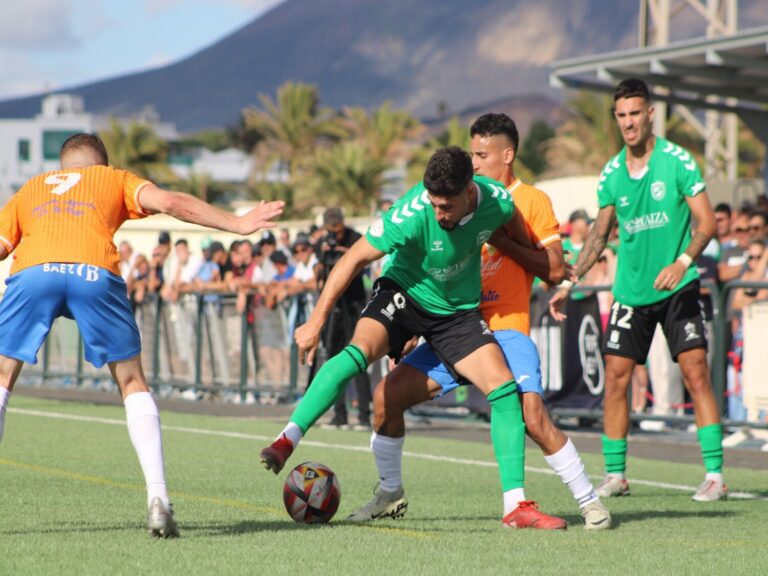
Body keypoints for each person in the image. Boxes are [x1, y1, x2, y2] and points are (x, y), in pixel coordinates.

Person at [260, 146, 566, 529]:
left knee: (504, 389)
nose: (439, 214)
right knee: (358, 352)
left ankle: (515, 507)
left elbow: (523, 239)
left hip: (456, 313)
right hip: (403, 295)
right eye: (434, 204)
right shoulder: (410, 213)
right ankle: (286, 439)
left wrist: (548, 262)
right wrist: (317, 320)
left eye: (446, 206)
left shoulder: (499, 202)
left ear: (469, 190)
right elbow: (352, 258)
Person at [0, 133, 284, 538]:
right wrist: (237, 224)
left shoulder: (30, 189)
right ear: (100, 163)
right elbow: (172, 203)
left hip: (33, 272)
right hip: (92, 271)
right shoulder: (112, 179)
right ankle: (158, 499)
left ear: (63, 167)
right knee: (132, 381)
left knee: (3, 377)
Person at [346, 113, 610, 530]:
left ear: (507, 155)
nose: (474, 162)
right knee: (385, 397)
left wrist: (500, 239)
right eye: (472, 153)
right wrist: (411, 329)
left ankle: (589, 501)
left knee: (533, 415)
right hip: (453, 328)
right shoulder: (452, 203)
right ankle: (389, 493)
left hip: (505, 327)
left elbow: (555, 269)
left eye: (482, 154)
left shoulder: (528, 201)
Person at [549, 78, 725, 502]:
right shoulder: (612, 173)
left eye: (635, 114)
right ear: (617, 119)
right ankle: (616, 475)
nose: (629, 123)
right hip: (631, 294)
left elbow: (707, 223)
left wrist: (681, 262)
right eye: (622, 115)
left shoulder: (677, 162)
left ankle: (715, 475)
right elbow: (598, 233)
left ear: (650, 115)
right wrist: (570, 281)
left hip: (678, 285)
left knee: (696, 372)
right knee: (615, 380)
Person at [313, 206, 372, 429]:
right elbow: (320, 267)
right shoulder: (322, 242)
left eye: (336, 229)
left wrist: (342, 251)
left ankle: (364, 415)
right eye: (330, 229)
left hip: (353, 305)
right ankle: (339, 415)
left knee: (357, 359)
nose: (334, 233)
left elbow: (360, 263)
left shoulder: (355, 238)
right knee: (333, 359)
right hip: (333, 307)